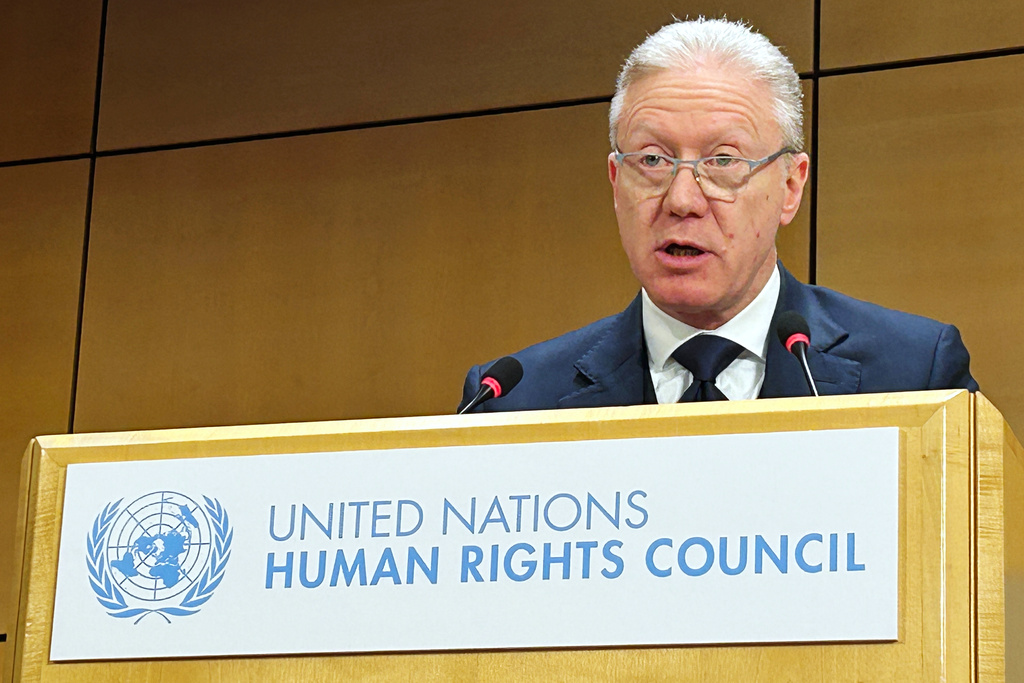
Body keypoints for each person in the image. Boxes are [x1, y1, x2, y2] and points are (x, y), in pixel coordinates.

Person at [459, 18, 977, 413]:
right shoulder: (512, 399)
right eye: (653, 160)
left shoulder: (915, 374)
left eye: (723, 161)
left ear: (791, 187)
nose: (682, 199)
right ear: (617, 184)